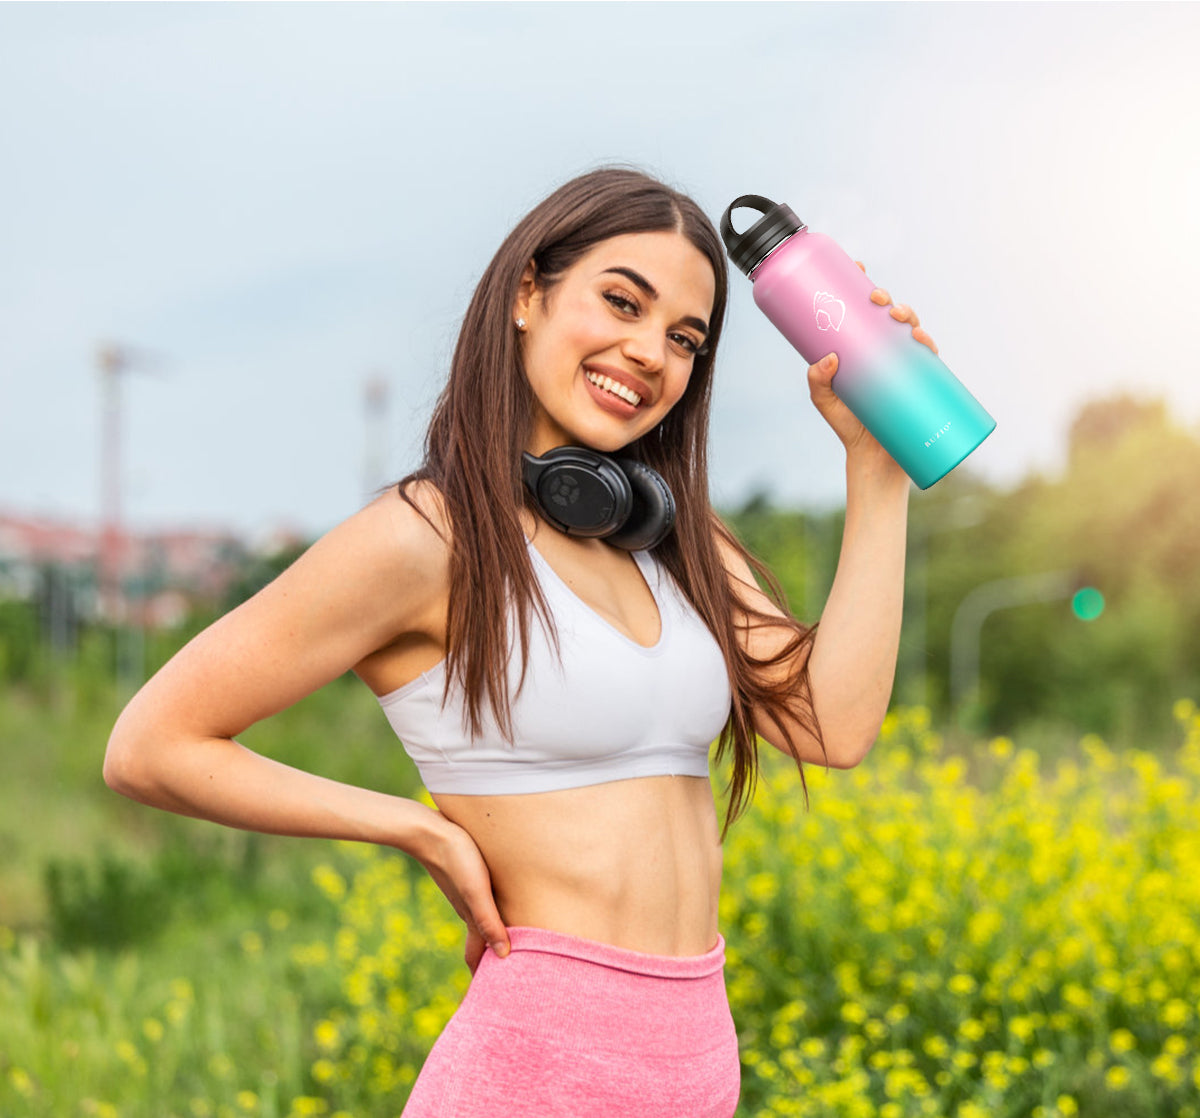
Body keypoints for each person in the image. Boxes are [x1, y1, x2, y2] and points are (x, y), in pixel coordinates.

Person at [104, 166, 928, 1116]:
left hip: (694, 1064)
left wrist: (879, 473)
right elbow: (151, 744)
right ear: (528, 295)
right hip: (535, 1069)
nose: (648, 351)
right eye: (621, 301)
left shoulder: (681, 540)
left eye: (684, 338)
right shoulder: (430, 536)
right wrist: (412, 826)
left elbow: (833, 727)